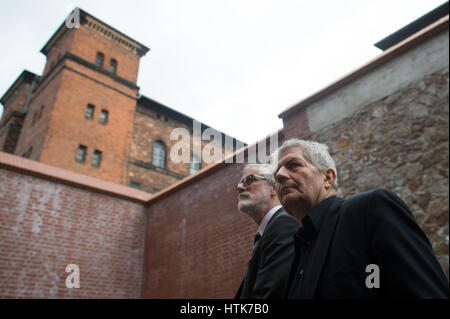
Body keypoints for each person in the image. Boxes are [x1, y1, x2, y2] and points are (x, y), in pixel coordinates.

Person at [272, 138, 449, 299]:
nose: (280, 175)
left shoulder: (370, 209)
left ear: (327, 177)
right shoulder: (299, 250)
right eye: (276, 173)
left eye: (294, 164)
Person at [234, 163, 300, 299]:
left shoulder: (284, 224)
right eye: (240, 183)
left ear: (273, 188)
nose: (240, 187)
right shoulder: (268, 231)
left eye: (249, 180)